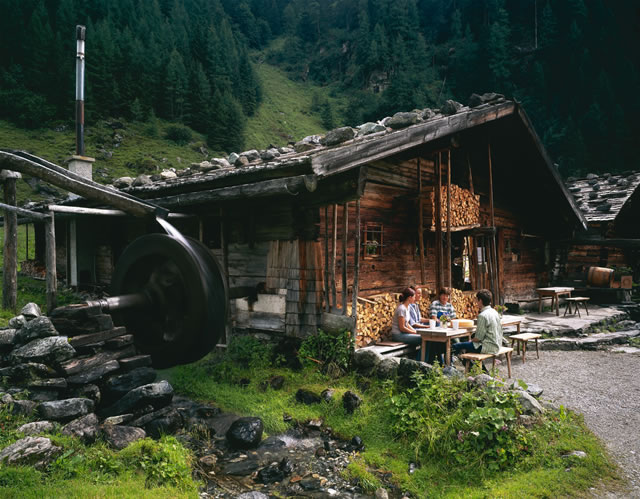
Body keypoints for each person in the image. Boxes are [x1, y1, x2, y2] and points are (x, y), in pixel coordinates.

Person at [453, 289, 503, 368]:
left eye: (477, 300)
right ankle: (479, 370)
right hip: (497, 344)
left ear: (480, 301)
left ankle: (450, 367)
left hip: (487, 347)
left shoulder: (482, 315)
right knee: (468, 348)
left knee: (456, 346)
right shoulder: (494, 312)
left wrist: (471, 340)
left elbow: (479, 338)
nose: (476, 302)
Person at [391, 287, 421, 360]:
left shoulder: (407, 308)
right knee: (422, 339)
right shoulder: (402, 309)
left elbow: (407, 324)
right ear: (409, 298)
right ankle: (420, 361)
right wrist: (414, 332)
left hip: (403, 334)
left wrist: (415, 331)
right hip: (398, 335)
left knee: (424, 337)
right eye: (414, 296)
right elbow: (402, 328)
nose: (415, 298)